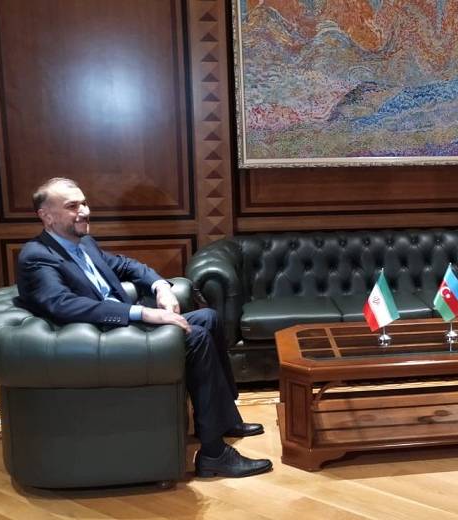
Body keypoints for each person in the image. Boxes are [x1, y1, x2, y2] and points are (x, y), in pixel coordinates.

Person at [16, 177, 272, 478]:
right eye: (72, 206)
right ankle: (214, 454)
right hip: (99, 341)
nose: (84, 211)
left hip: (122, 331)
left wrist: (161, 286)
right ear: (46, 216)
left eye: (84, 203)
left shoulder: (84, 243)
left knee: (209, 318)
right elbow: (63, 305)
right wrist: (144, 313)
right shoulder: (37, 256)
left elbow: (127, 265)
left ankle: (225, 418)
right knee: (196, 336)